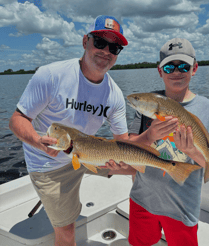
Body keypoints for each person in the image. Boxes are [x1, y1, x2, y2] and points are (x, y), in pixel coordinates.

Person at [9, 15, 135, 246]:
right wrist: (37, 141)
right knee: (67, 229)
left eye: (114, 47)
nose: (106, 51)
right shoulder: (51, 75)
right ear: (85, 41)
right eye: (100, 42)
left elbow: (122, 142)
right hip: (49, 165)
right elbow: (17, 119)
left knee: (140, 172)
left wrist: (137, 154)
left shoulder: (114, 94)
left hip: (88, 154)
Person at [127, 38, 209, 246]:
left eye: (183, 66)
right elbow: (129, 147)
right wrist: (149, 136)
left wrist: (192, 150)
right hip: (142, 200)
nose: (177, 71)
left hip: (182, 207)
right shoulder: (148, 107)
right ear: (160, 71)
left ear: (194, 68)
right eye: (169, 66)